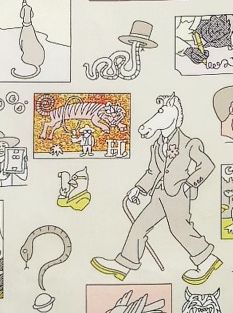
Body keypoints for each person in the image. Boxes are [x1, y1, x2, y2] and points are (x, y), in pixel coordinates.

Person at [92, 92, 219, 286]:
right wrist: (138, 189)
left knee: (179, 228)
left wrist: (189, 183)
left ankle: (206, 259)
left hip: (177, 194)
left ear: (174, 116)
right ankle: (124, 264)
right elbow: (153, 171)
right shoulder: (157, 146)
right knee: (139, 226)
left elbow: (207, 165)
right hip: (159, 194)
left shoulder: (189, 143)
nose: (158, 115)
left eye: (162, 111)